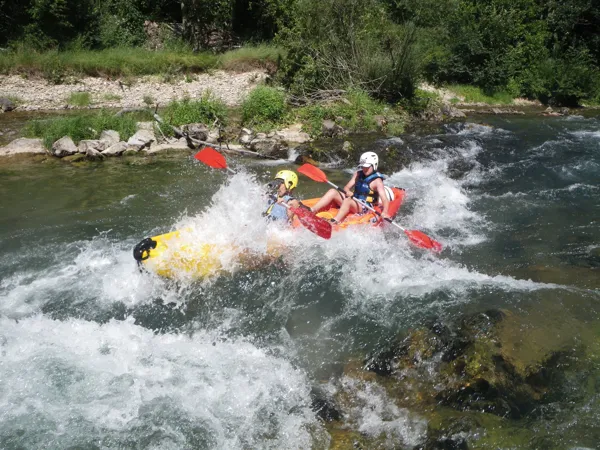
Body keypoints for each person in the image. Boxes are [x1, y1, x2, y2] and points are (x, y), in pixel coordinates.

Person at [310, 152, 391, 224]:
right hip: (353, 200)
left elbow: (384, 199)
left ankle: (334, 221)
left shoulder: (377, 181)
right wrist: (347, 191)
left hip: (364, 207)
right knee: (333, 191)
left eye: (367, 167)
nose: (364, 169)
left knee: (348, 200)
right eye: (363, 166)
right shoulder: (358, 174)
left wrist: (385, 212)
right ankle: (312, 209)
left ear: (374, 165)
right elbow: (346, 187)